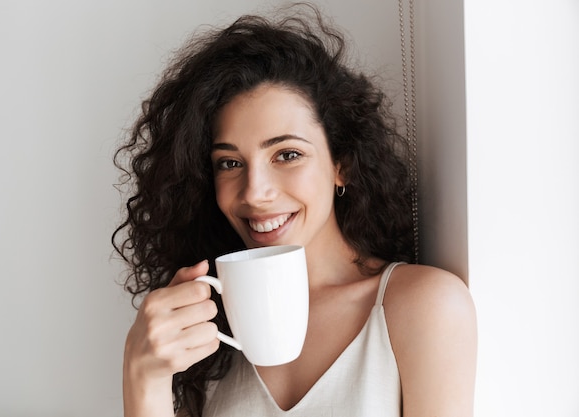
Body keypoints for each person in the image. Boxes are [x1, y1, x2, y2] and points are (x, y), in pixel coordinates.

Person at [112, 3, 477, 417]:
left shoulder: (422, 307)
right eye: (229, 163)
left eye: (287, 154)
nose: (256, 192)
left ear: (342, 163)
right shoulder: (207, 338)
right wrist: (143, 376)